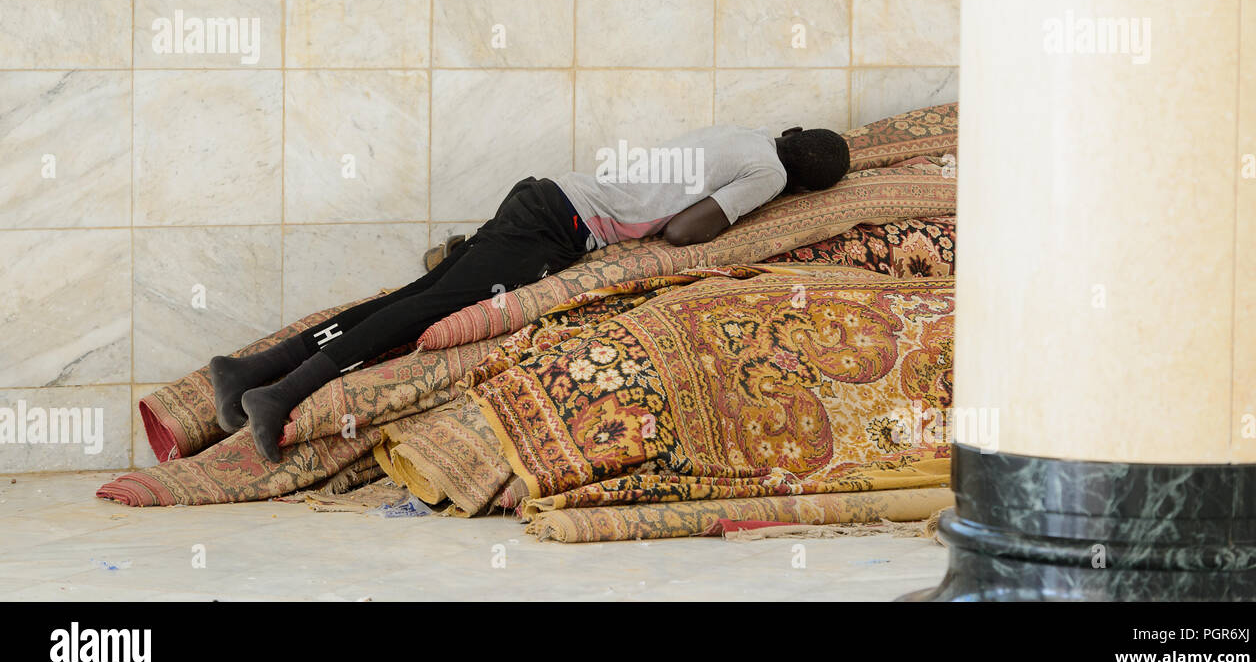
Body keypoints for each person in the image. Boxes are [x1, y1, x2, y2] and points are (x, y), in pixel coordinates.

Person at [211, 124, 851, 461]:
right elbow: (687, 231)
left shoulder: (744, 134)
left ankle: (253, 370)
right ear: (805, 185)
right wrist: (743, 211)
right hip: (557, 227)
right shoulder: (767, 172)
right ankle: (281, 395)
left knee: (410, 296)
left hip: (543, 196)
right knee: (425, 311)